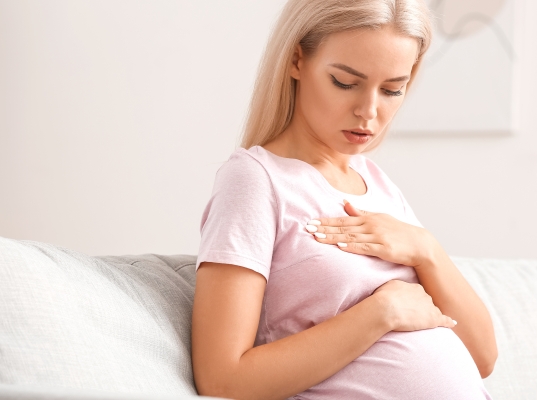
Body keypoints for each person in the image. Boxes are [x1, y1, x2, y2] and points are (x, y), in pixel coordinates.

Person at [190, 0, 498, 399]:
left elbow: (484, 358)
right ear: (297, 60)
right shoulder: (256, 181)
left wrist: (427, 250)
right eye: (345, 82)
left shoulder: (378, 184)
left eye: (392, 89)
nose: (368, 111)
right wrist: (379, 313)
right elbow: (222, 380)